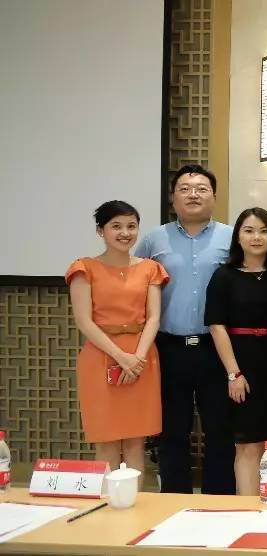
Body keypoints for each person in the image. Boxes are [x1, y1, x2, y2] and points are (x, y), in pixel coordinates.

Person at [134, 164, 235, 494]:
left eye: (202, 189)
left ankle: (219, 502)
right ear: (173, 197)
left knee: (220, 430)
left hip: (217, 348)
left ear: (214, 197)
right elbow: (134, 284)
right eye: (185, 188)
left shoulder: (232, 238)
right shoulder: (154, 240)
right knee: (172, 431)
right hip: (168, 348)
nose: (194, 194)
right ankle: (173, 500)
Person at [66, 201, 169, 483]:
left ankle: (133, 502)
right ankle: (107, 503)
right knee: (106, 440)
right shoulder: (84, 268)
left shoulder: (150, 268)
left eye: (131, 226)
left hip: (143, 357)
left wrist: (137, 357)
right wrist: (123, 358)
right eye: (116, 226)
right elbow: (84, 322)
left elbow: (154, 318)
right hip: (101, 356)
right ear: (100, 231)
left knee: (136, 441)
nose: (125, 233)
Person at [206, 207, 267, 496]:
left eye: (264, 231)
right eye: (249, 231)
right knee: (248, 445)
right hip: (241, 366)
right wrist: (234, 374)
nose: (256, 237)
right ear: (237, 237)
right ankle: (249, 508)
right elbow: (216, 326)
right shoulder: (224, 276)